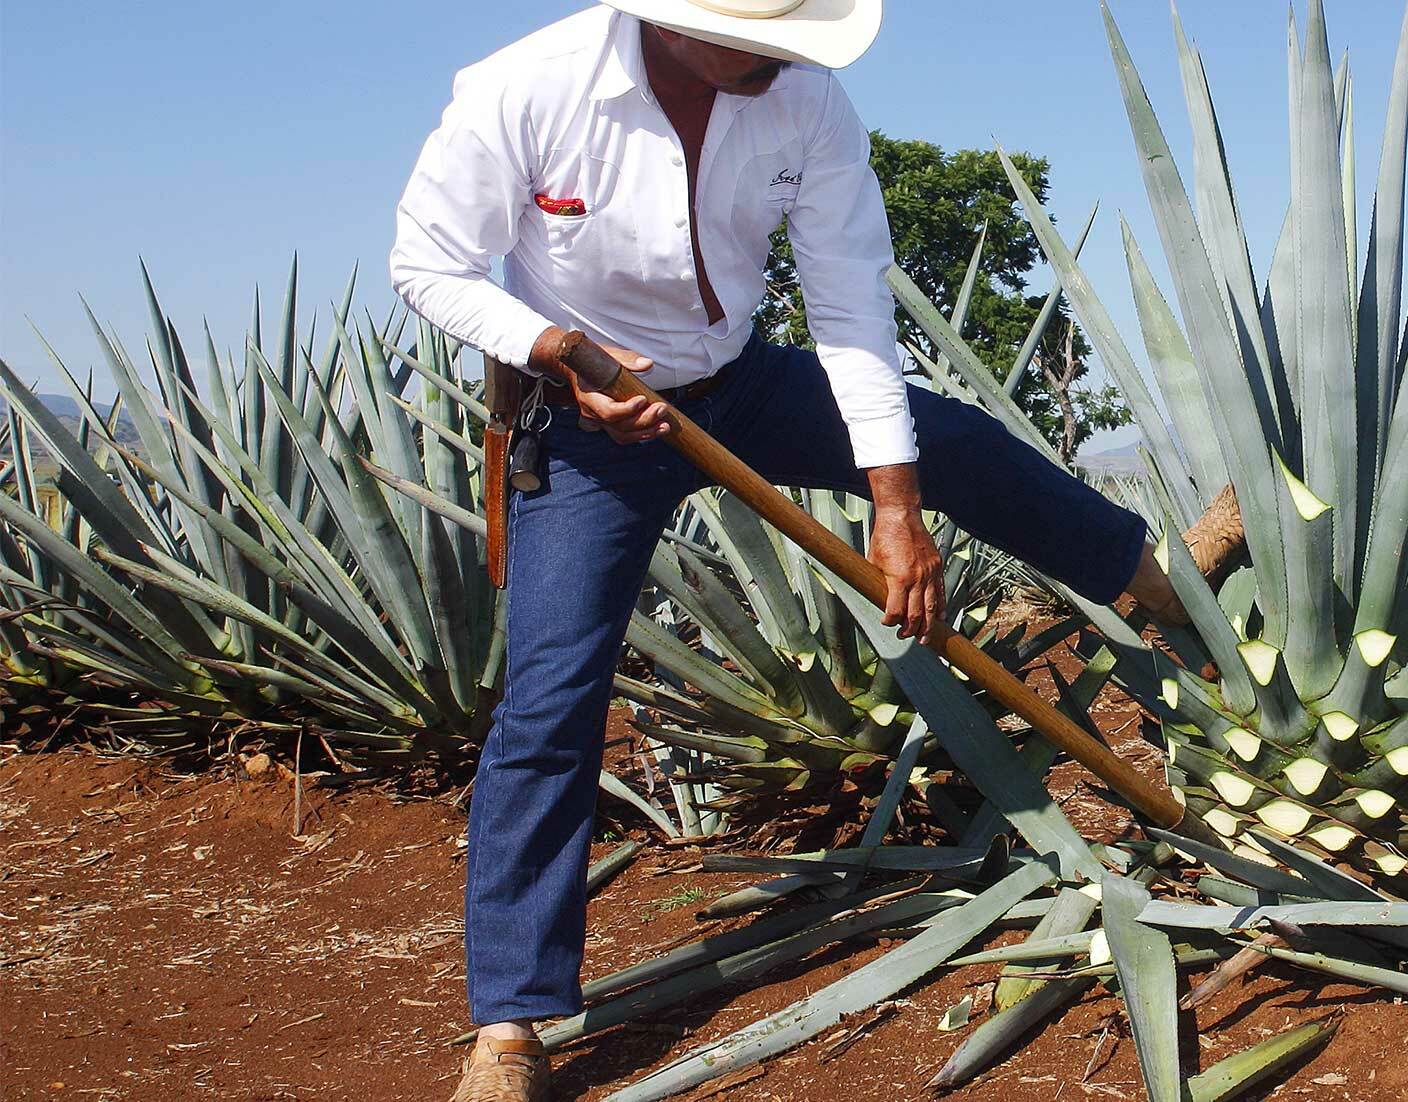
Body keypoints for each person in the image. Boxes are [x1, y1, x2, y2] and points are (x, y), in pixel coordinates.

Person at [389, 2, 1184, 1098]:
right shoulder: (525, 89)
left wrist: (895, 505)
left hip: (740, 387)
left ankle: (1152, 576)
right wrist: (557, 349)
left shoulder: (803, 97)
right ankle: (514, 1024)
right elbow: (426, 265)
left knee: (952, 440)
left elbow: (850, 304)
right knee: (551, 697)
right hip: (586, 428)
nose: (781, 55)